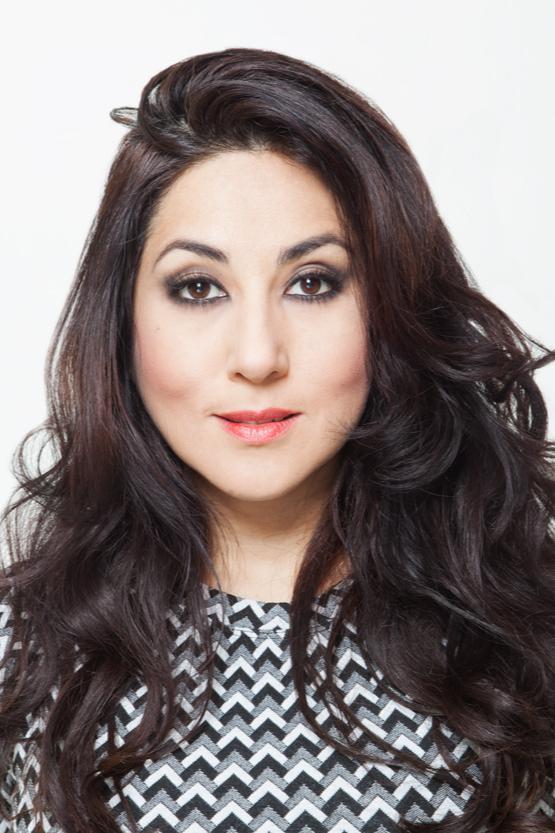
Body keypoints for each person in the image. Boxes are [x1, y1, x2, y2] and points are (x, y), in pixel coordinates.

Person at [0, 47, 553, 833]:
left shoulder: (525, 636)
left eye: (312, 283)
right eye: (198, 288)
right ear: (121, 321)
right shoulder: (21, 650)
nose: (258, 356)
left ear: (390, 309)